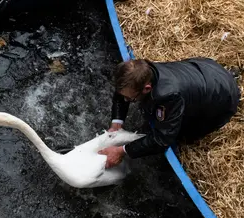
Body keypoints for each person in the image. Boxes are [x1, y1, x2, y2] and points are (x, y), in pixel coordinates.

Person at [98, 57, 241, 168]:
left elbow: (163, 139)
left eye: (130, 99)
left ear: (147, 88)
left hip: (223, 98)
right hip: (206, 68)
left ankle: (233, 81)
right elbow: (121, 93)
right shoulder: (143, 71)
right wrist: (117, 122)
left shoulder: (168, 95)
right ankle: (230, 75)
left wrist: (122, 151)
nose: (126, 100)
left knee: (183, 135)